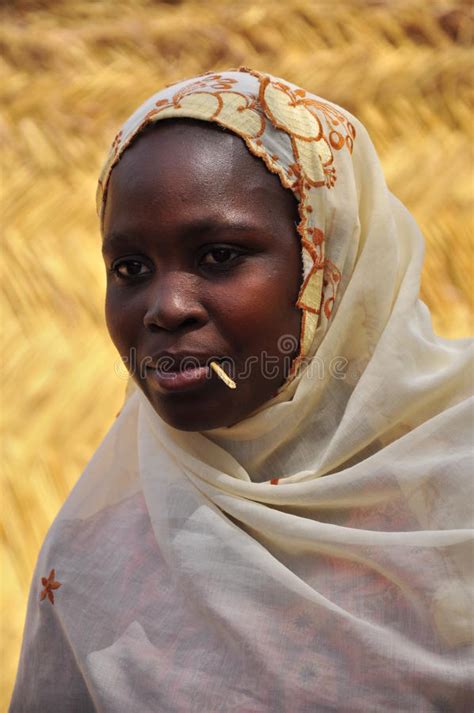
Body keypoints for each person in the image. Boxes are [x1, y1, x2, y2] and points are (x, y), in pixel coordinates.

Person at [10, 68, 473, 712]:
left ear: (326, 263)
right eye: (130, 269)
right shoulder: (95, 563)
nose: (165, 308)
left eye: (219, 255)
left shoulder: (455, 491)